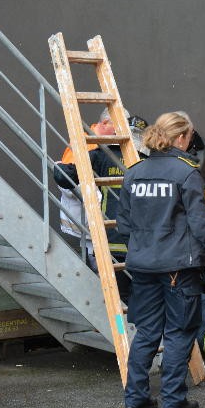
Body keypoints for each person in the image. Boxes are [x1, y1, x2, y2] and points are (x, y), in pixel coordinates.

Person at [117, 111, 205, 408]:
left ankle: (136, 399)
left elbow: (123, 223)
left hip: (143, 266)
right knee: (179, 332)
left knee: (146, 331)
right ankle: (173, 401)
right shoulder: (186, 173)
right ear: (180, 138)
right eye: (189, 137)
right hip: (178, 267)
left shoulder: (134, 172)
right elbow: (204, 223)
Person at [54, 111, 147, 302]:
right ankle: (139, 330)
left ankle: (120, 330)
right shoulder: (149, 161)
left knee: (116, 300)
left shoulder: (100, 155)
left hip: (110, 243)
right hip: (143, 245)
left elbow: (66, 178)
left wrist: (59, 167)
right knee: (145, 300)